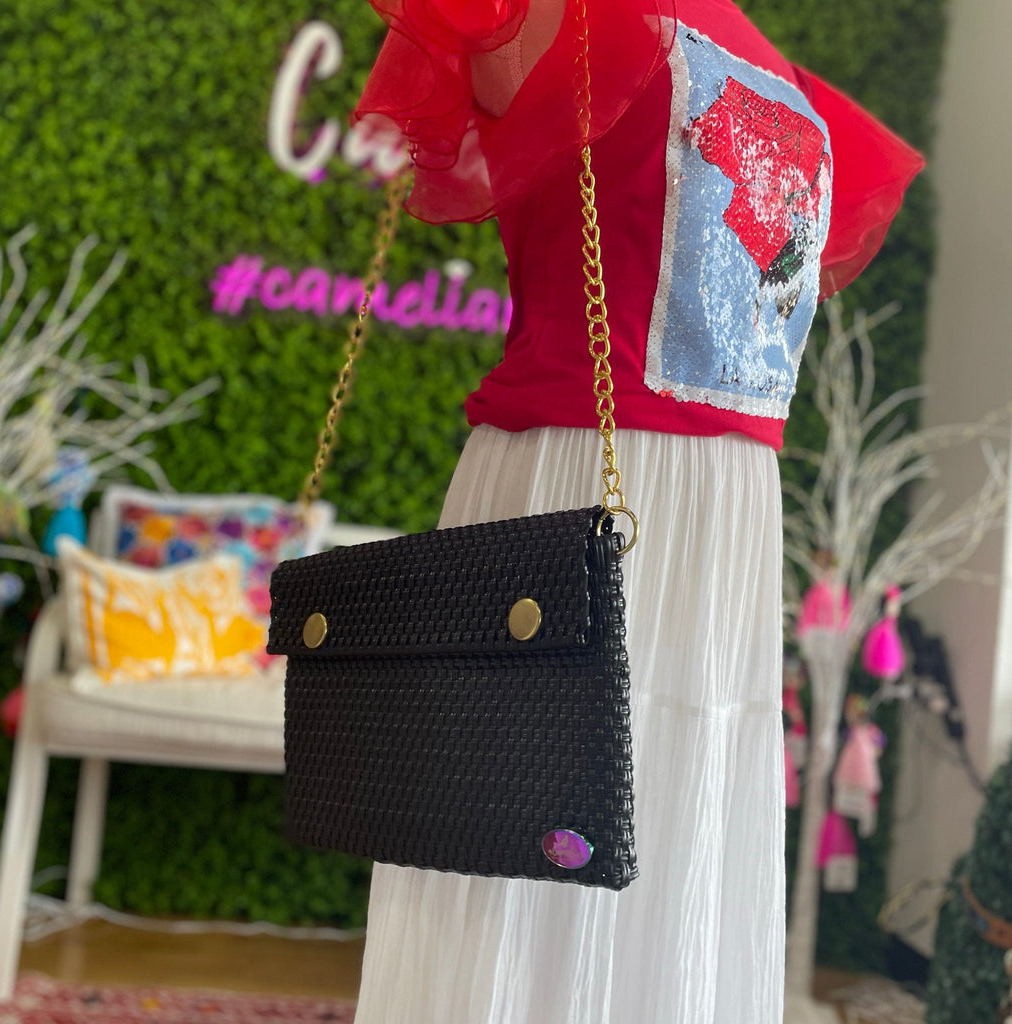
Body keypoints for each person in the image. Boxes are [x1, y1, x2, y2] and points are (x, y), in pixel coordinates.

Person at [349, 2, 923, 1021]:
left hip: (721, 515)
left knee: (678, 814)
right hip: (575, 487)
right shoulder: (556, 16)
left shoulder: (780, 78)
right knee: (526, 822)